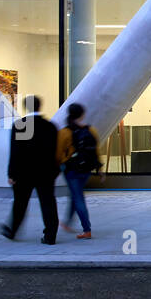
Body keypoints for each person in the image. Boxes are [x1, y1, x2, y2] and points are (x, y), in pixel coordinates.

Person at [0, 95, 60, 245]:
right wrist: (55, 171)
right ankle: (50, 235)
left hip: (23, 173)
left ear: (26, 107)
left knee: (20, 203)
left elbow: (15, 152)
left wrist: (11, 173)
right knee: (48, 203)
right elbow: (54, 151)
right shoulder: (50, 126)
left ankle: (12, 230)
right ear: (40, 106)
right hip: (45, 172)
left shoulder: (19, 125)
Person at [55, 102, 100, 239]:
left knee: (78, 196)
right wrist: (99, 168)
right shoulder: (90, 130)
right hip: (86, 169)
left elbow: (58, 153)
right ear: (82, 115)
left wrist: (60, 164)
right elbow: (95, 150)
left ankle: (87, 229)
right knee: (75, 194)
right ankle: (67, 222)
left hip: (71, 170)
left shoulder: (64, 132)